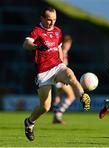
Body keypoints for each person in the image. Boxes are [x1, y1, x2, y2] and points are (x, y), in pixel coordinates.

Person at [23, 7, 91, 141]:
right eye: (49, 19)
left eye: (54, 20)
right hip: (43, 73)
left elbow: (59, 49)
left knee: (70, 74)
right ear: (42, 18)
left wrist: (62, 68)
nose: (51, 22)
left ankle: (83, 96)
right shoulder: (37, 30)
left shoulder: (58, 31)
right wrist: (36, 46)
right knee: (45, 107)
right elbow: (26, 44)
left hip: (57, 66)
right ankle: (29, 122)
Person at [52, 35, 76, 124]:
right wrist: (63, 78)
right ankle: (58, 114)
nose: (68, 46)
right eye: (67, 44)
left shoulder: (64, 52)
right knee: (71, 96)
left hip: (57, 78)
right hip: (59, 77)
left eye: (70, 44)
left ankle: (55, 118)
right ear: (64, 43)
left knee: (58, 98)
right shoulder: (61, 51)